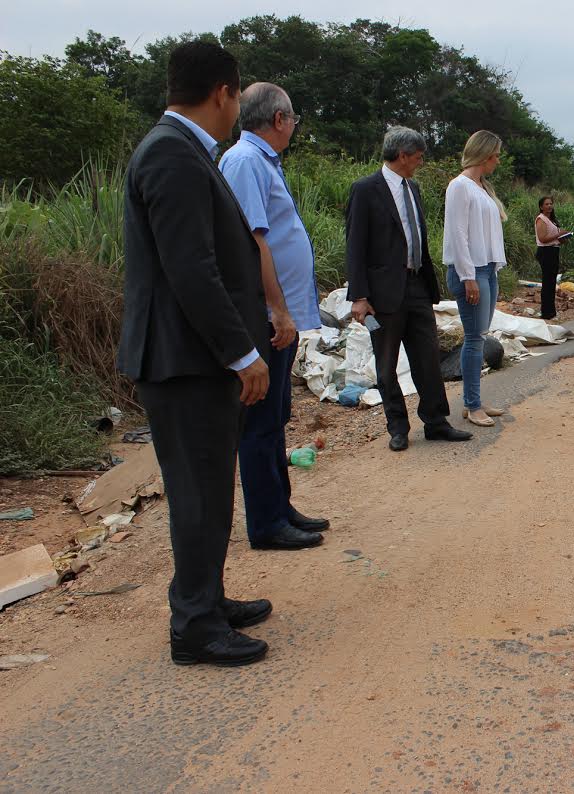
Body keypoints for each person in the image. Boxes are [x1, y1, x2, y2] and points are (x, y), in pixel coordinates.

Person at [117, 41, 272, 667]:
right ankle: (195, 627)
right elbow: (192, 270)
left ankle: (208, 597)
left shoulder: (182, 152)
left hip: (194, 357)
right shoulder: (172, 156)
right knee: (197, 491)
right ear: (223, 93)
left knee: (210, 484)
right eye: (237, 99)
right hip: (186, 359)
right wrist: (242, 354)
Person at [219, 82, 327, 551]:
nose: (294, 128)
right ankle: (266, 523)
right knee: (261, 422)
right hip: (269, 317)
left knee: (277, 416)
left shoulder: (262, 161)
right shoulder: (245, 162)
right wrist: (276, 310)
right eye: (294, 120)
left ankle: (281, 506)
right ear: (279, 119)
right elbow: (253, 242)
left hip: (283, 315)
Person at [345, 126, 473, 451]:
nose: (420, 161)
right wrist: (359, 296)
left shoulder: (412, 188)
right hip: (381, 294)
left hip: (416, 285)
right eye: (417, 156)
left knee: (428, 357)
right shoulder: (365, 190)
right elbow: (355, 247)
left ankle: (436, 421)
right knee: (386, 363)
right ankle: (397, 428)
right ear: (402, 155)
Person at [443, 130, 509, 427]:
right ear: (483, 155)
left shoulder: (481, 188)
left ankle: (475, 400)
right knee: (474, 339)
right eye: (494, 155)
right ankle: (471, 405)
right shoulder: (460, 186)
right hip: (471, 271)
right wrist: (468, 276)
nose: (497, 160)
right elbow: (457, 234)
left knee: (479, 337)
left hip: (487, 268)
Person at [533, 196, 569, 320]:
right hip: (546, 252)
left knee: (551, 282)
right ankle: (547, 312)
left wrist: (563, 238)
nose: (549, 206)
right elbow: (542, 238)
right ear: (541, 207)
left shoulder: (551, 220)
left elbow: (553, 237)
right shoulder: (541, 219)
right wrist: (558, 234)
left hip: (553, 250)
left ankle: (551, 311)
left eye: (551, 204)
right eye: (546, 204)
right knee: (547, 283)